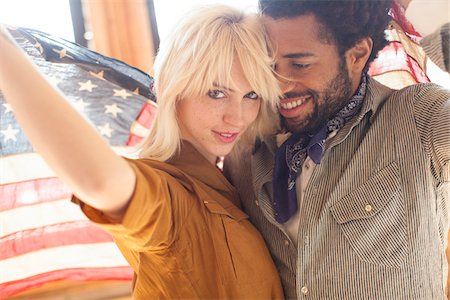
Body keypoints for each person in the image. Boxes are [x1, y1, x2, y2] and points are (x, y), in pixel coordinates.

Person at [0, 5, 285, 299]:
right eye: (216, 92)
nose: (237, 117)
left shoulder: (231, 183)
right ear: (176, 88)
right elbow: (98, 181)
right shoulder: (172, 193)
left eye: (251, 95)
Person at [225, 0, 450, 299]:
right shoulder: (245, 149)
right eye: (270, 65)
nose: (279, 85)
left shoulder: (419, 119)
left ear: (357, 54)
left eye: (300, 64)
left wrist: (410, 6)